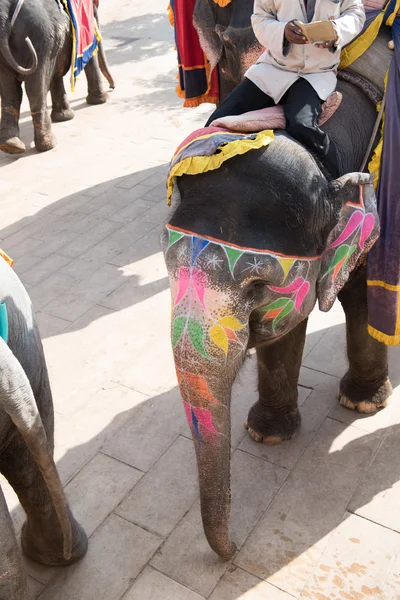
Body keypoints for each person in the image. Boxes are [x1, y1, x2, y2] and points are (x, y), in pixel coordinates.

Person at [205, 0, 366, 178]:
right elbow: (260, 18)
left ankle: (339, 182)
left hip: (315, 73)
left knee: (301, 125)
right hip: (273, 68)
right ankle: (200, 175)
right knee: (217, 119)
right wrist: (282, 31)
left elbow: (355, 13)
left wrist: (337, 31)